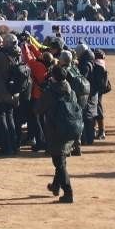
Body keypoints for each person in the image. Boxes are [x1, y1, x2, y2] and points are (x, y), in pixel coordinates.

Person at [35, 66, 78, 204]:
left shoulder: (51, 91)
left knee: (59, 162)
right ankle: (56, 186)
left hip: (55, 129)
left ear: (53, 78)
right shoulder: (70, 89)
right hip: (70, 128)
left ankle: (68, 192)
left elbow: (39, 109)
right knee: (62, 159)